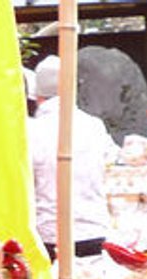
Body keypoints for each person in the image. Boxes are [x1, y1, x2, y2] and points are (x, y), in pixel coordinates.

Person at [25, 55, 114, 256]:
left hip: (48, 236)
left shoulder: (31, 131)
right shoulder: (94, 126)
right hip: (94, 231)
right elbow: (109, 161)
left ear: (37, 96)